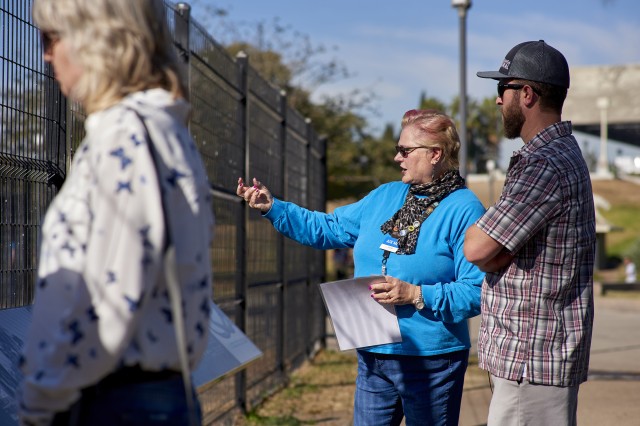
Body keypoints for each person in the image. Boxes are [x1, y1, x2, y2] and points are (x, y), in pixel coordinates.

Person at [20, 1, 214, 425]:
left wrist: (39, 400)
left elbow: (108, 303)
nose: (46, 54)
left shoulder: (125, 134)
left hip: (109, 399)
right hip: (147, 392)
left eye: (51, 37)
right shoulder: (163, 128)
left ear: (97, 38)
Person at [238, 109, 485, 426]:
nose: (398, 158)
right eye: (398, 149)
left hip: (431, 360)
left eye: (405, 150)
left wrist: (416, 293)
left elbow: (477, 290)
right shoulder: (386, 195)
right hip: (373, 351)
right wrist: (272, 207)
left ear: (435, 154)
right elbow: (328, 228)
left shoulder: (464, 208)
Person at [463, 40, 596, 426]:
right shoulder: (560, 153)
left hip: (531, 359)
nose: (497, 102)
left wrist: (494, 249)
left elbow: (476, 248)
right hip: (536, 358)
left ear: (526, 94)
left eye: (501, 90)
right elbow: (493, 249)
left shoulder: (543, 164)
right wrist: (498, 249)